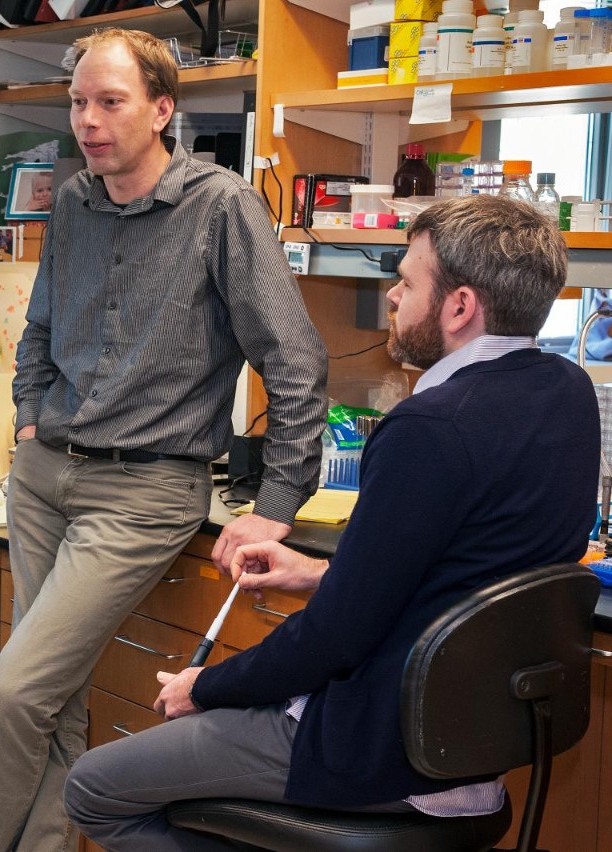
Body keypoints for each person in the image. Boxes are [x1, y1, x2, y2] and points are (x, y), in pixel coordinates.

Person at [63, 194, 600, 851]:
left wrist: (207, 687)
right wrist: (323, 573)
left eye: (406, 282)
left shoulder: (429, 428)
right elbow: (461, 579)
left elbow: (335, 640)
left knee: (95, 788)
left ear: (460, 306)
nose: (393, 298)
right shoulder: (568, 394)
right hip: (470, 741)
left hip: (373, 743)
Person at [0, 28, 328, 852]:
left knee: (16, 692)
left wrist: (277, 503)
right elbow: (39, 326)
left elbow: (294, 360)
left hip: (144, 491)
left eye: (109, 102)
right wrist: (32, 411)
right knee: (55, 698)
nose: (87, 119)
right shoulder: (76, 199)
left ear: (161, 110)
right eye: (79, 102)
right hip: (46, 475)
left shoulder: (222, 206)